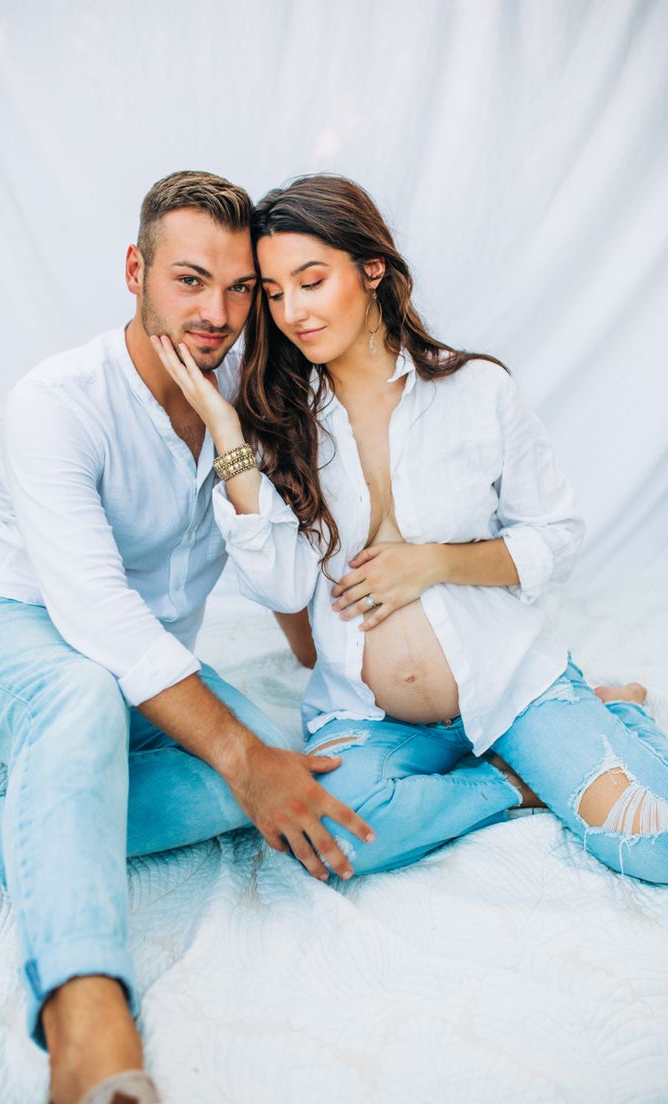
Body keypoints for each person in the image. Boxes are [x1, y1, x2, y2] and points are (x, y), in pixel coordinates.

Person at [0, 171, 375, 1104]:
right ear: (135, 270)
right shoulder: (56, 400)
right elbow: (95, 616)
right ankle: (87, 1017)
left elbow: (288, 586)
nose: (217, 313)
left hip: (149, 667)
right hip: (11, 634)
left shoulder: (248, 403)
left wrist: (238, 441)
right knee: (105, 698)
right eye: (188, 280)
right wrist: (234, 749)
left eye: (241, 288)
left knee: (289, 759)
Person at [149, 173, 668, 887]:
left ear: (372, 270)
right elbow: (284, 583)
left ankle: (595, 722)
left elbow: (557, 536)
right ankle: (514, 782)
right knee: (328, 843)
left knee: (650, 847)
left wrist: (433, 563)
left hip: (508, 687)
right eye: (273, 292)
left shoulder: (477, 391)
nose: (293, 310)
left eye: (312, 280)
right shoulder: (279, 424)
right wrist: (228, 432)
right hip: (369, 719)